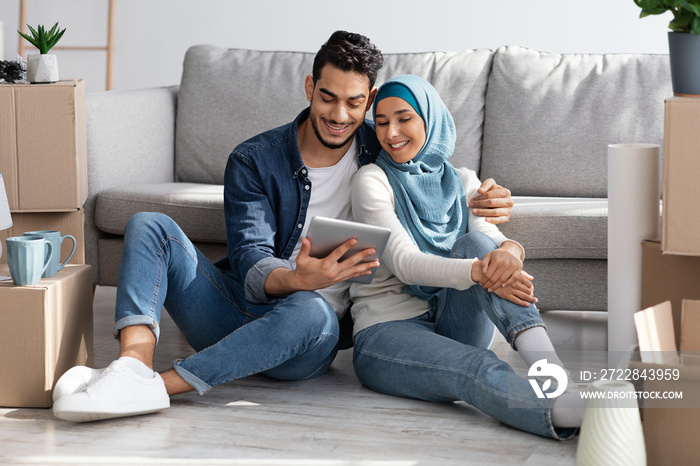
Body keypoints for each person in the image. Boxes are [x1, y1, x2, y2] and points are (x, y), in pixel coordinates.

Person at [52, 31, 515, 422]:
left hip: (313, 335)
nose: (338, 116)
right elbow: (251, 256)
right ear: (310, 86)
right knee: (150, 224)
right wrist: (298, 278)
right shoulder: (255, 158)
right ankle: (132, 368)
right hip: (236, 309)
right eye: (327, 97)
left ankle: (161, 389)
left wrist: (487, 199)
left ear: (369, 100)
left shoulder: (386, 149)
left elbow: (439, 182)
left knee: (312, 309)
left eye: (354, 103)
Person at [349, 74, 584, 440]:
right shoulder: (372, 179)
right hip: (387, 332)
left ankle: (556, 381)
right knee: (475, 366)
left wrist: (510, 251)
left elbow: (490, 238)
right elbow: (406, 263)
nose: (391, 132)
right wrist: (480, 271)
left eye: (404, 118)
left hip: (452, 317)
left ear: (430, 119)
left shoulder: (461, 179)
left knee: (479, 244)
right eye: (380, 122)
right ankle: (571, 413)